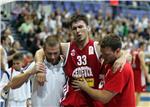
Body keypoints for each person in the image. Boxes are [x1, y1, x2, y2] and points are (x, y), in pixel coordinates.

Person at [35, 14, 127, 107]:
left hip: (92, 100)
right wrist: (40, 70)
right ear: (71, 31)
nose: (78, 31)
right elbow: (40, 52)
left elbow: (120, 52)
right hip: (72, 102)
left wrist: (123, 57)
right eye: (74, 28)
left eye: (80, 27)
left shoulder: (97, 47)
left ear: (88, 28)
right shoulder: (66, 48)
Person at [72, 35, 136, 107]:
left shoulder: (120, 68)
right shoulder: (109, 62)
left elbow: (104, 98)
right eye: (102, 53)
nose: (103, 57)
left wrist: (85, 87)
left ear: (117, 51)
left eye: (106, 54)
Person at [6, 36, 66, 107]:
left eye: (55, 53)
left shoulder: (66, 66)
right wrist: (31, 72)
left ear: (60, 50)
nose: (53, 57)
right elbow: (13, 84)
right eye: (49, 53)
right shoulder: (36, 65)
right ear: (44, 50)